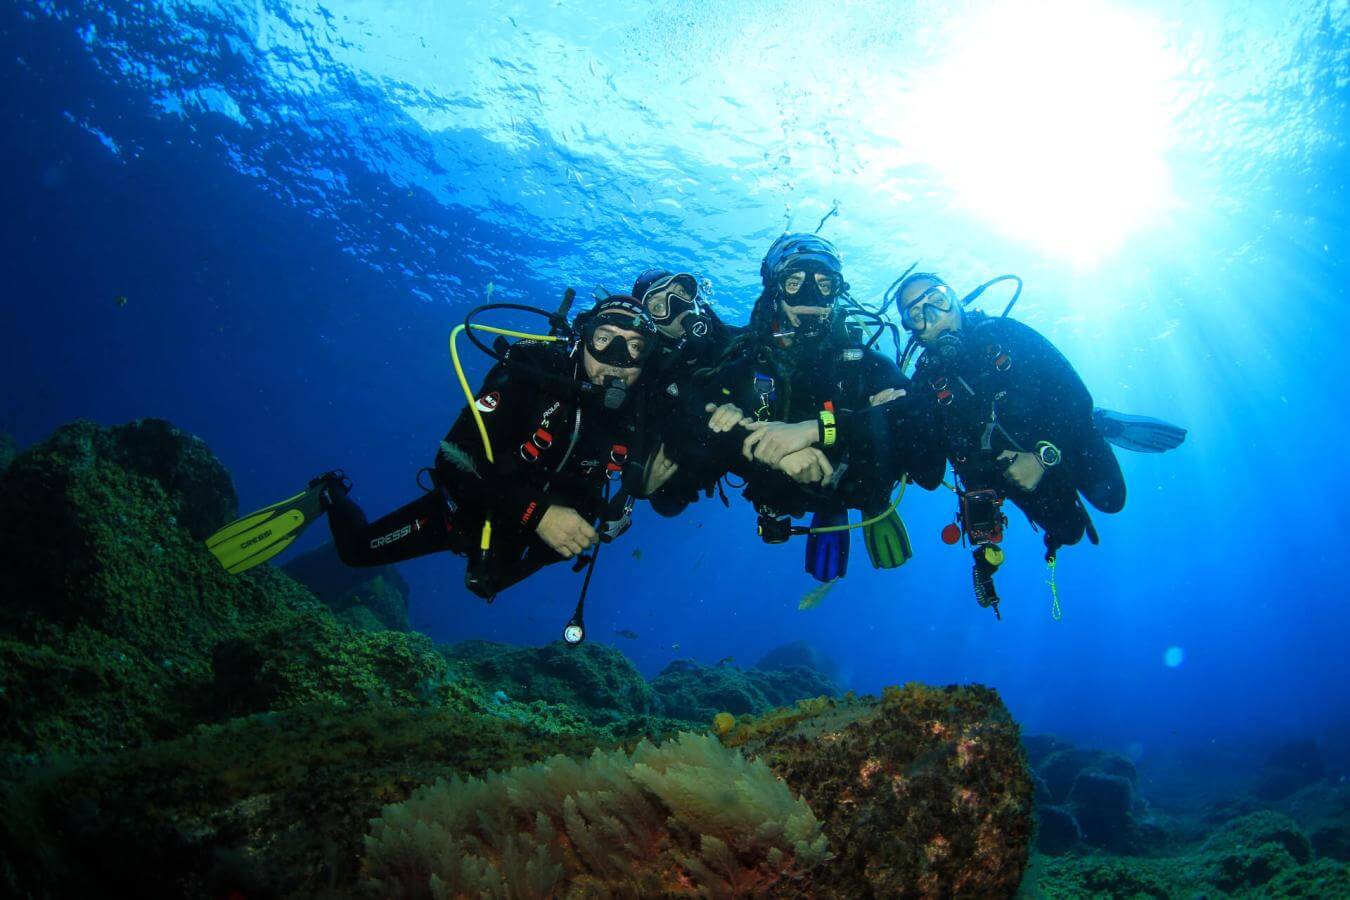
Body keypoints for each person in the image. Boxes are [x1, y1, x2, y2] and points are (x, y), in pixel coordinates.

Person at [743, 271, 1184, 613]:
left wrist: (1043, 455)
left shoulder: (1007, 336)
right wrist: (866, 421)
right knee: (1068, 533)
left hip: (1064, 432)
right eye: (918, 314)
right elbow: (925, 469)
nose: (933, 317)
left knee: (1111, 499)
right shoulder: (925, 381)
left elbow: (1073, 396)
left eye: (937, 300)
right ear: (911, 329)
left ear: (957, 298)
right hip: (1005, 472)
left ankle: (1104, 425)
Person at [205, 296, 661, 600]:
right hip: (464, 509)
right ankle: (329, 494)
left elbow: (624, 482)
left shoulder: (638, 414)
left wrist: (617, 512)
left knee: (490, 585)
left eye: (635, 348)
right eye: (605, 341)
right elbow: (451, 459)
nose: (617, 362)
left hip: (519, 535)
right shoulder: (530, 375)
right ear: (583, 339)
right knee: (357, 554)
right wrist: (538, 514)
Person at [653, 234, 946, 580]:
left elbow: (928, 462)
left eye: (824, 284)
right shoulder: (748, 364)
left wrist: (815, 430)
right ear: (775, 290)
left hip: (858, 484)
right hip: (783, 496)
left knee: (873, 468)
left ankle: (864, 507)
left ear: (837, 292)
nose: (810, 296)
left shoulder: (864, 363)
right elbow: (681, 451)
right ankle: (833, 509)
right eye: (794, 283)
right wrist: (767, 448)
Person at [628, 268, 742, 510]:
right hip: (699, 460)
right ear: (650, 324)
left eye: (681, 293)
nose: (678, 306)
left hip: (753, 451)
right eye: (659, 306)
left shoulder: (735, 343)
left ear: (696, 297)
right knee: (667, 501)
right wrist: (640, 482)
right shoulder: (646, 372)